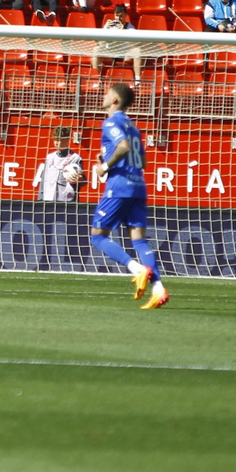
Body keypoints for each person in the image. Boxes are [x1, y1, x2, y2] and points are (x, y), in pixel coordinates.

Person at [88, 83, 168, 309]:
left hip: (119, 186)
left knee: (98, 236)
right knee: (140, 240)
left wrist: (105, 167)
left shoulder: (111, 121)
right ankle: (158, 289)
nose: (103, 96)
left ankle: (136, 269)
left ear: (114, 100)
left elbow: (123, 147)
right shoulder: (133, 126)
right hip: (138, 185)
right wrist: (109, 156)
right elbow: (142, 161)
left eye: (107, 93)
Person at [38, 127, 83, 202]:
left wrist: (80, 179)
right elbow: (43, 181)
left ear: (67, 140)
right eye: (55, 139)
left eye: (59, 140)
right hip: (48, 200)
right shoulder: (49, 157)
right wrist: (40, 198)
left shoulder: (75, 158)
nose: (56, 142)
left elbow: (83, 180)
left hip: (66, 202)